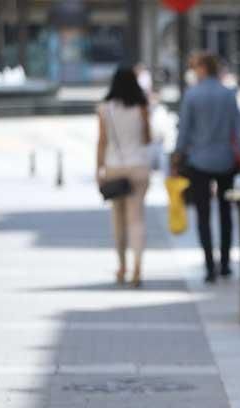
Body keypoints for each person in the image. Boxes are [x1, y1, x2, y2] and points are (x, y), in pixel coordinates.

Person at [173, 52, 240, 283]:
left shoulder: (192, 95)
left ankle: (209, 266)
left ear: (202, 69)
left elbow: (183, 133)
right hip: (225, 160)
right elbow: (237, 128)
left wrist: (177, 154)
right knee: (225, 212)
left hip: (199, 161)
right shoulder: (228, 94)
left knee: (203, 214)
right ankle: (225, 264)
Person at [96, 65, 152, 288]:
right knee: (136, 219)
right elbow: (147, 138)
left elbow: (101, 141)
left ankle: (121, 266)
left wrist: (98, 168)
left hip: (114, 167)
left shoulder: (105, 108)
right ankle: (138, 266)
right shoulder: (141, 107)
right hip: (138, 166)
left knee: (118, 220)